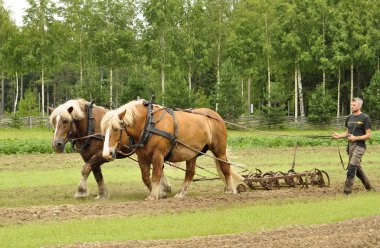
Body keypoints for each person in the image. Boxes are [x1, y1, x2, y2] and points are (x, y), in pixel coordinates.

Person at [332, 97, 374, 195]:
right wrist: (338, 136)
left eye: (354, 105)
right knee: (357, 168)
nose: (352, 106)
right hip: (350, 146)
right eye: (351, 105)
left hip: (360, 146)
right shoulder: (349, 118)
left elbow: (368, 135)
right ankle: (368, 187)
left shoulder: (365, 118)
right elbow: (347, 133)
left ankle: (347, 192)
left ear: (359, 106)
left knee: (351, 167)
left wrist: (355, 138)